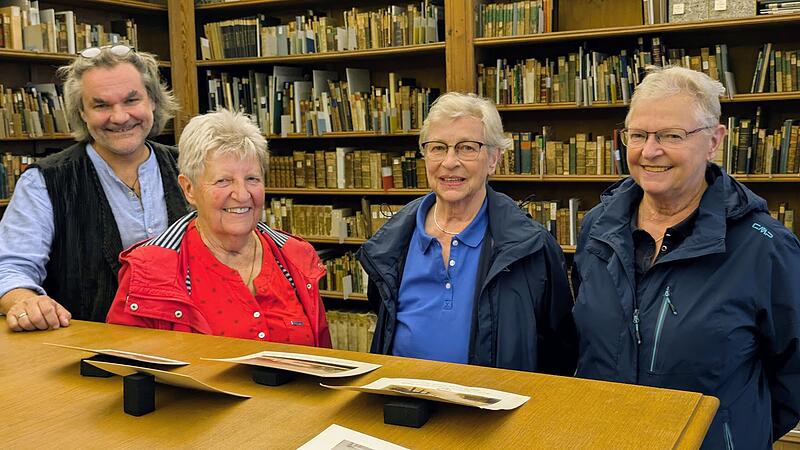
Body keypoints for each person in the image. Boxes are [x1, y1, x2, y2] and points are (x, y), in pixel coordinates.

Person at [571, 66, 800, 449]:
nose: (649, 151)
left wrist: (733, 432)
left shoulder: (765, 246)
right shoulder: (597, 227)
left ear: (714, 140)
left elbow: (792, 376)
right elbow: (583, 343)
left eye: (671, 136)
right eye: (638, 135)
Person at [356, 92, 576, 373]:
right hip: (404, 404)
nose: (449, 162)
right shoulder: (390, 243)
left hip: (495, 409)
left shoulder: (532, 247)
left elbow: (562, 350)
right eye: (438, 148)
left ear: (494, 159)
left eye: (467, 148)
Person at [0, 44, 187, 332]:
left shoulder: (192, 166)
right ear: (82, 113)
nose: (120, 117)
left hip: (195, 342)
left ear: (152, 100)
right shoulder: (44, 182)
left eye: (131, 100)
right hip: (88, 353)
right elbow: (10, 269)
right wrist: (25, 302)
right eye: (101, 105)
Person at [106, 109, 331, 347]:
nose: (242, 195)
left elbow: (326, 361)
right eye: (223, 181)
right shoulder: (149, 269)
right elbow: (129, 371)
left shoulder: (295, 257)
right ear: (189, 189)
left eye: (252, 179)